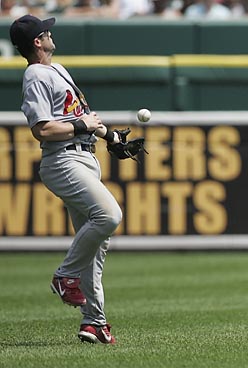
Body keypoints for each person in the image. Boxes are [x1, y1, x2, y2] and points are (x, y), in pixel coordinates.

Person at [9, 14, 124, 344]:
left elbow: (82, 116)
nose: (51, 34)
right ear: (37, 42)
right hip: (63, 160)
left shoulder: (56, 69)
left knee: (96, 246)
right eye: (47, 32)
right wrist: (85, 127)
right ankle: (64, 276)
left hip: (85, 156)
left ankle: (94, 323)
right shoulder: (35, 75)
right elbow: (42, 129)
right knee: (109, 215)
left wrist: (110, 137)